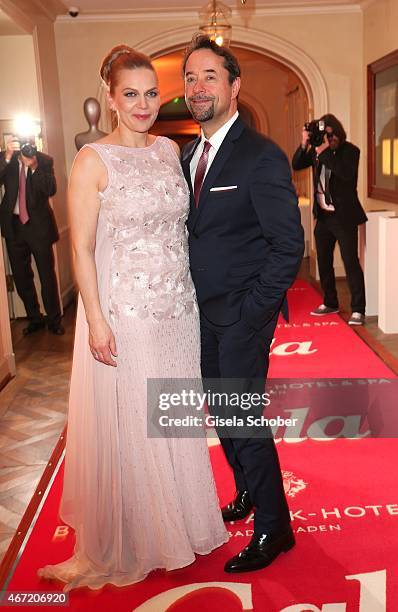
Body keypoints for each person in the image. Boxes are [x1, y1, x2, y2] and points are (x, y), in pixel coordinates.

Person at [38, 45, 228, 591]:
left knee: (172, 417)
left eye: (151, 93)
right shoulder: (92, 160)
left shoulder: (170, 150)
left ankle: (183, 522)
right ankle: (138, 533)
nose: (143, 104)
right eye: (131, 94)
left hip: (179, 310)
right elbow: (81, 249)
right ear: (111, 98)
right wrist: (96, 320)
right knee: (136, 422)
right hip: (130, 312)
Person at [182, 35, 304, 573]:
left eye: (210, 76)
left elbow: (288, 245)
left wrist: (252, 314)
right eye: (190, 77)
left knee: (243, 420)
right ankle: (249, 492)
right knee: (223, 417)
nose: (198, 86)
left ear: (234, 87)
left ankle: (276, 529)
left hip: (240, 320)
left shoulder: (261, 156)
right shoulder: (189, 155)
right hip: (199, 318)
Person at [292, 114, 367, 325]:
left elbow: (344, 173)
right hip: (323, 218)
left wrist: (323, 151)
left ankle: (358, 309)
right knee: (324, 263)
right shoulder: (317, 152)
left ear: (338, 133)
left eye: (330, 135)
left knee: (350, 263)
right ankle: (330, 302)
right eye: (324, 136)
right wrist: (304, 143)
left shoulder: (350, 151)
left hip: (344, 218)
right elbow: (296, 164)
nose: (327, 139)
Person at [0, 139, 64, 335]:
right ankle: (34, 318)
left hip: (39, 228)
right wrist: (8, 156)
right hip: (14, 226)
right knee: (21, 277)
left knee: (47, 275)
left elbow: (50, 189)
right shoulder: (5, 159)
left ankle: (54, 320)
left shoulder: (44, 161)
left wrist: (35, 167)